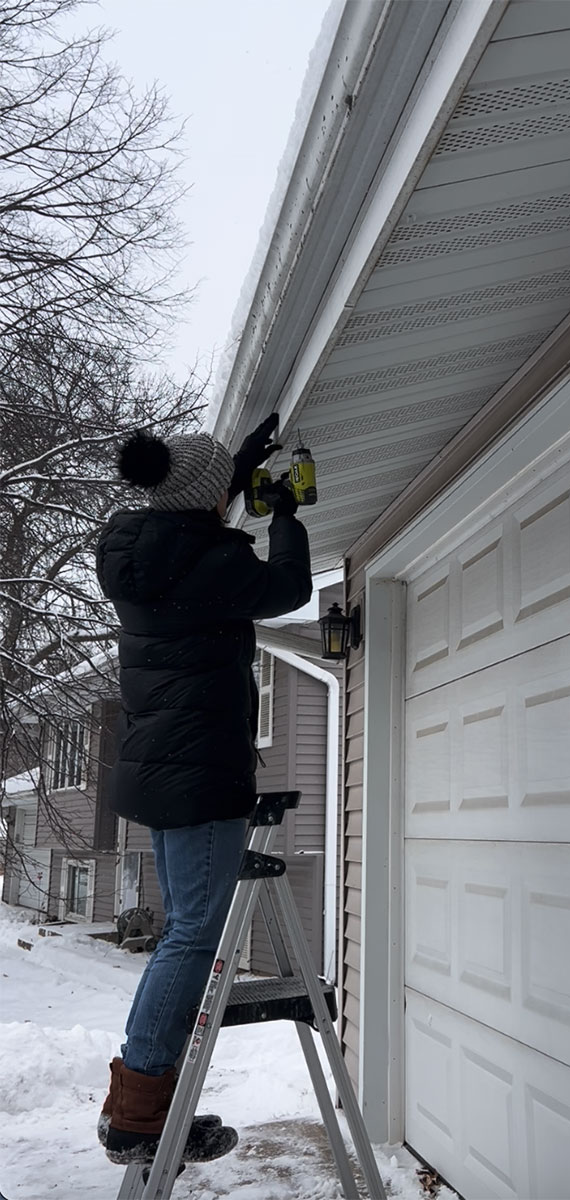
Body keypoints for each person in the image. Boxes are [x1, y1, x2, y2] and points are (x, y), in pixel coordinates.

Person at [94, 417, 312, 1165]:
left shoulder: (142, 548)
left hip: (160, 771)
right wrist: (285, 516)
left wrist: (239, 463)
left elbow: (192, 516)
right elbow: (286, 586)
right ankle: (140, 1112)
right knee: (192, 937)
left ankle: (147, 1102)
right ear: (206, 498)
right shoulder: (210, 561)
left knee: (186, 933)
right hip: (203, 776)